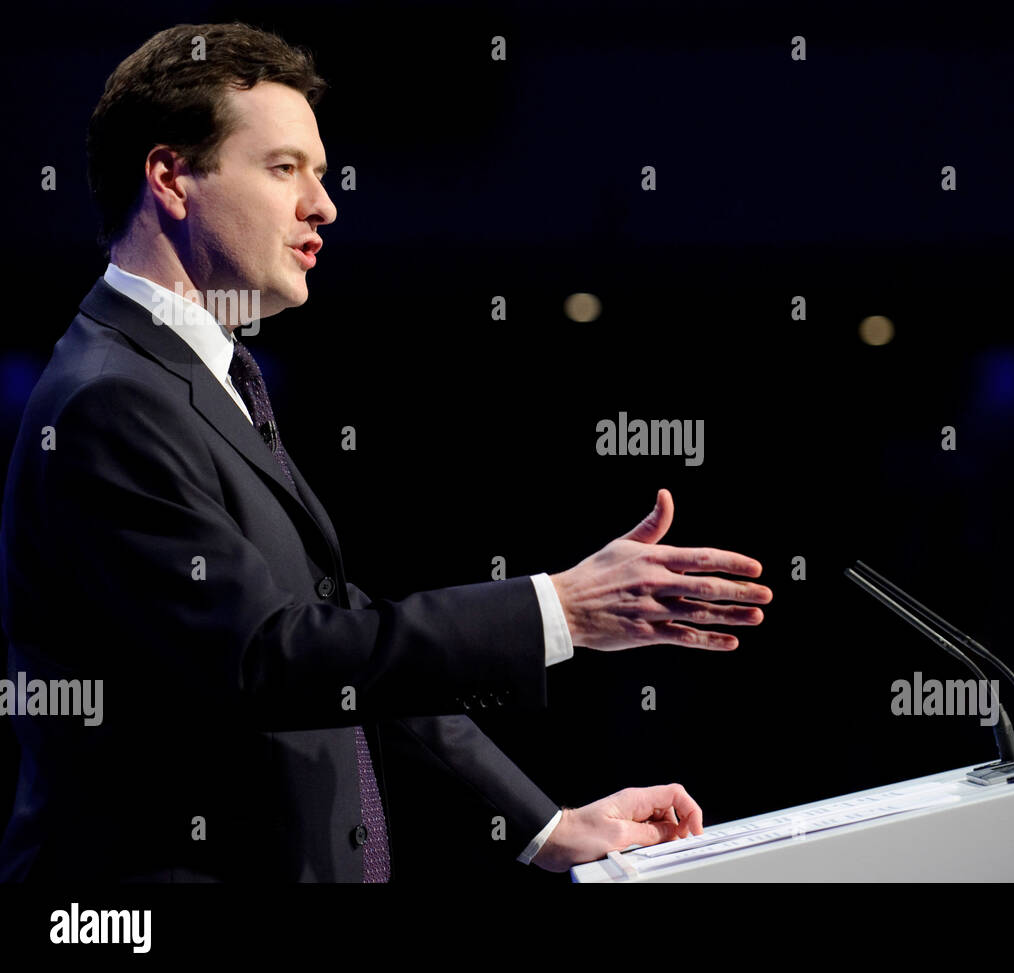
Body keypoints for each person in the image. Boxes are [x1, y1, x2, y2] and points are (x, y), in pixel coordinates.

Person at [0, 22, 771, 882]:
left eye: (320, 175)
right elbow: (271, 657)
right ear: (171, 178)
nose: (323, 205)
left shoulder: (199, 372)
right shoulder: (112, 400)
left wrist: (544, 823)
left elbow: (333, 629)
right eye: (285, 168)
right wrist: (554, 609)